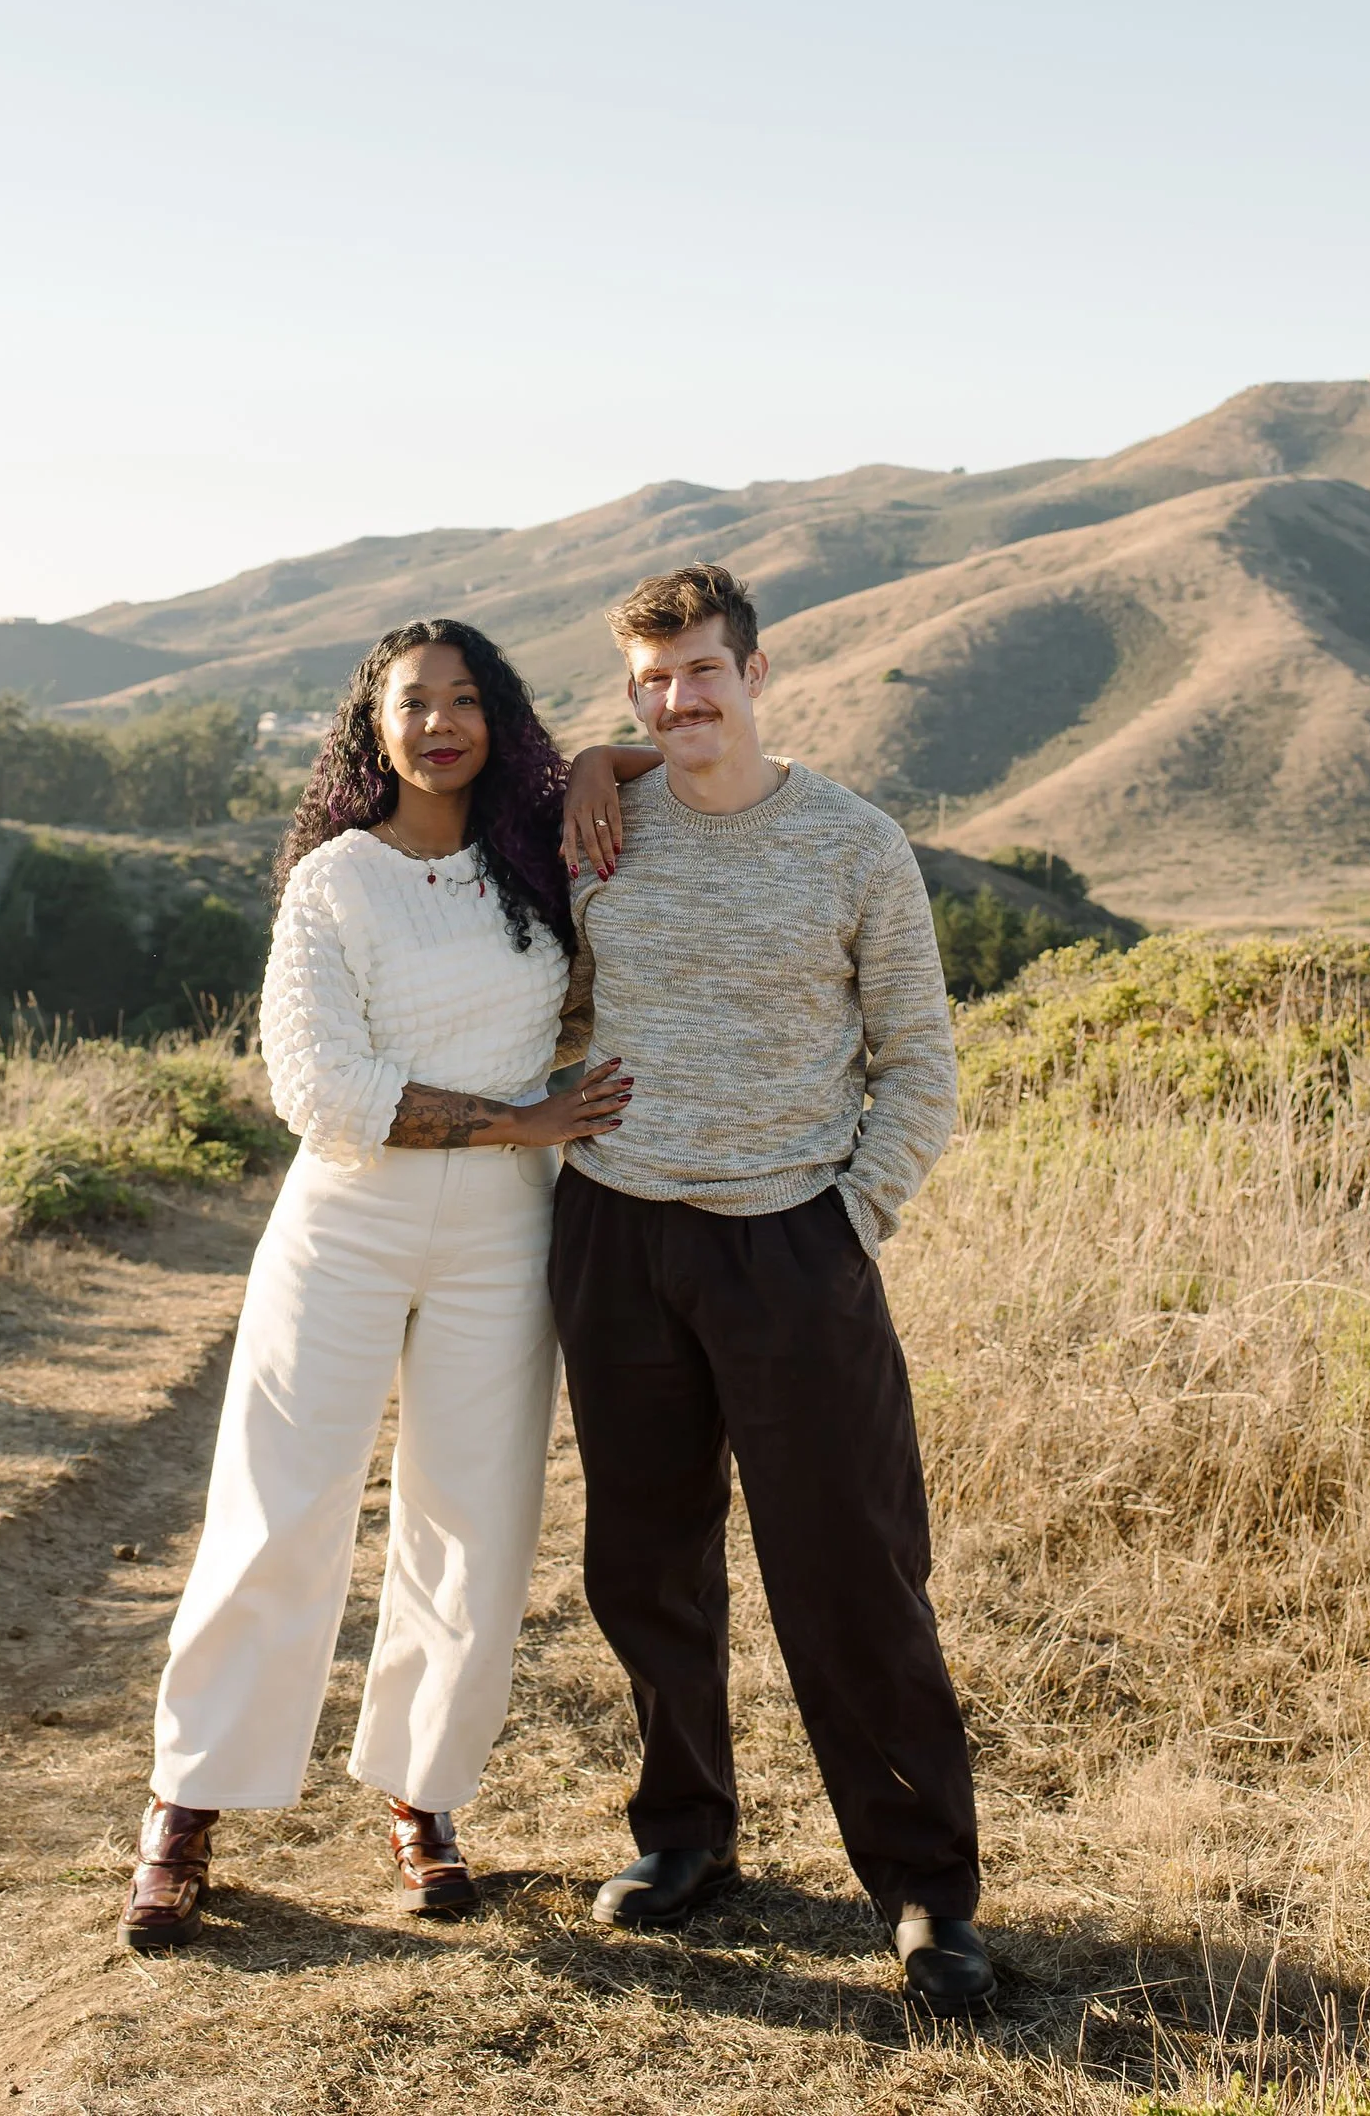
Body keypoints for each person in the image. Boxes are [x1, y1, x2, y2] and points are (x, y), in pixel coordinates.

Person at [118, 620, 633, 1950]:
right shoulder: (332, 881)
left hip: (503, 1238)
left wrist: (588, 763)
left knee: (474, 1520)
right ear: (374, 725)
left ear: (498, 717)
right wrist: (524, 1120)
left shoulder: (534, 852)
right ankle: (185, 1806)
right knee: (280, 1507)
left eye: (469, 700)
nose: (443, 721)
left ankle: (424, 1791)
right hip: (348, 1218)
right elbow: (322, 1091)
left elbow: (685, 758)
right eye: (417, 702)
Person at [549, 560, 995, 2020]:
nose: (681, 701)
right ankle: (684, 1839)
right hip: (621, 1233)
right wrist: (585, 772)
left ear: (755, 674)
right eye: (653, 683)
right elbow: (542, 976)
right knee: (646, 1560)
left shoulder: (853, 844)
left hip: (794, 1243)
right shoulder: (603, 832)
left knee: (852, 1569)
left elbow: (917, 1059)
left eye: (704, 674)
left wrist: (843, 1217)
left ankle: (927, 1891)